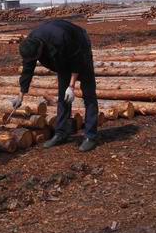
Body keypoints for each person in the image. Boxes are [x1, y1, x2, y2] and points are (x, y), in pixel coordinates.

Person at [14, 20, 99, 152]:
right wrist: (21, 94)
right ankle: (61, 133)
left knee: (89, 94)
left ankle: (90, 136)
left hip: (80, 47)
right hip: (61, 58)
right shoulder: (30, 45)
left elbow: (76, 61)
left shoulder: (60, 37)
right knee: (62, 97)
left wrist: (71, 86)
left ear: (40, 49)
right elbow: (27, 70)